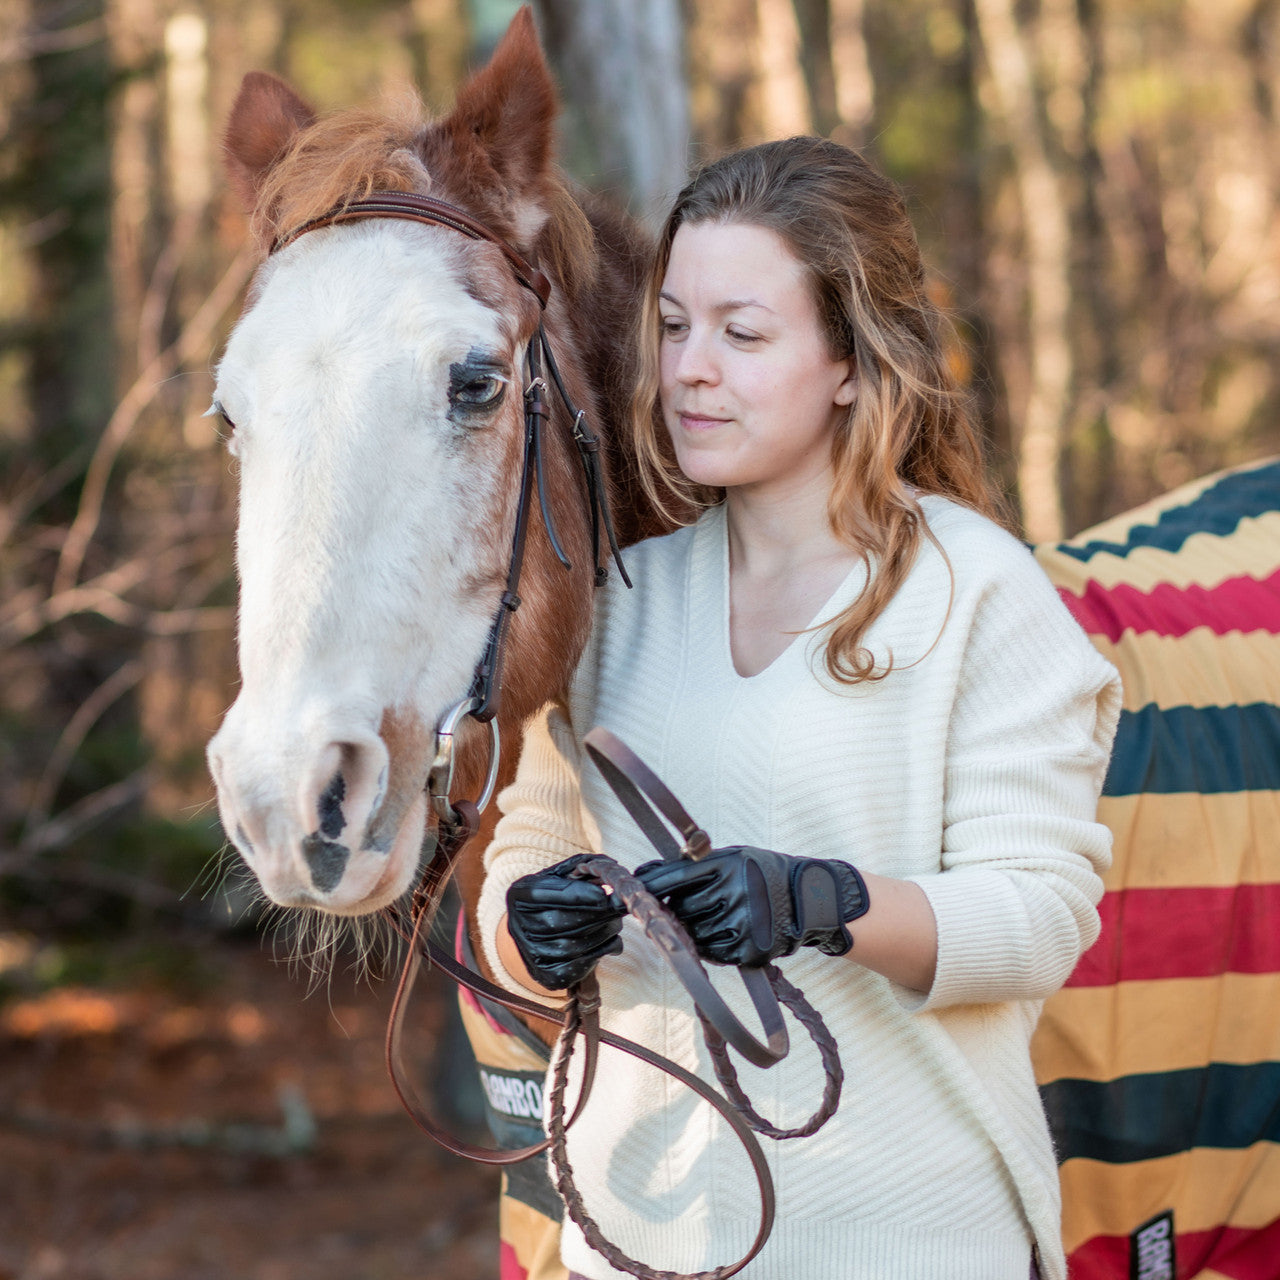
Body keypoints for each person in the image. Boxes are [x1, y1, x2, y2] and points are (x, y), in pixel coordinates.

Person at [476, 136, 1121, 1280]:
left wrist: (827, 901)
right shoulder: (619, 596)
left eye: (742, 332)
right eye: (672, 326)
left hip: (909, 1245)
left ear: (847, 356)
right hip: (633, 1243)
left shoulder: (976, 592)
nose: (687, 369)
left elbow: (1039, 916)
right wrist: (526, 927)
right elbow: (522, 856)